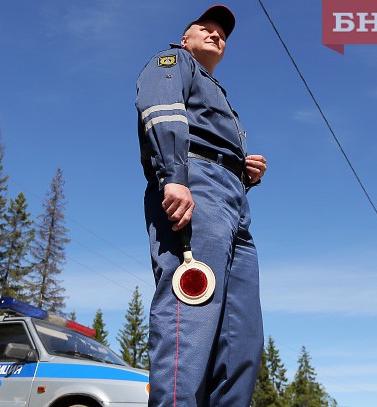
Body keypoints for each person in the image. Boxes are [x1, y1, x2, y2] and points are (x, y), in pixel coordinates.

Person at [135, 5, 267, 406]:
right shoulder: (173, 62)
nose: (216, 35)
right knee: (192, 310)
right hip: (195, 183)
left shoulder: (221, 94)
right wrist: (174, 175)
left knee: (241, 335)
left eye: (222, 33)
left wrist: (243, 171)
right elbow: (161, 110)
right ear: (184, 38)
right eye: (205, 28)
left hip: (234, 200)